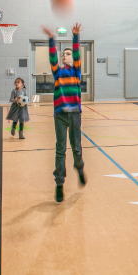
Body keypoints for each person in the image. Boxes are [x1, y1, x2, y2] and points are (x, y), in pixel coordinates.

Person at [42, 21, 86, 202]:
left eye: (68, 54)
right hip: (60, 115)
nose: (65, 56)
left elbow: (76, 54)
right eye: (63, 54)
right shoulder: (57, 72)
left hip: (75, 114)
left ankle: (79, 167)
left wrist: (75, 37)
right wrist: (52, 40)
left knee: (76, 147)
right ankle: (59, 184)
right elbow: (52, 58)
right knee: (60, 149)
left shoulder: (76, 71)